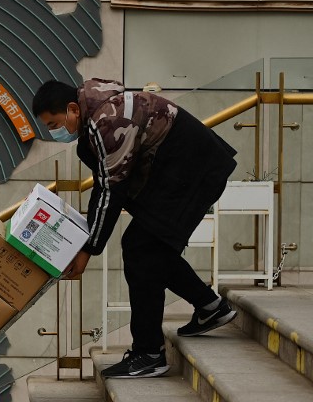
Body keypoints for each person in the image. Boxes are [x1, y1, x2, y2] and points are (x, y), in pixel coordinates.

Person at [32, 79, 238, 379]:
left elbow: (109, 189)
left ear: (73, 109)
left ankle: (149, 352)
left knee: (142, 247)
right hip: (184, 168)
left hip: (192, 169)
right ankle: (210, 307)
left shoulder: (107, 121)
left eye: (54, 123)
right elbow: (105, 181)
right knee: (151, 246)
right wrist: (87, 239)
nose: (53, 132)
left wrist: (88, 249)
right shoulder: (97, 113)